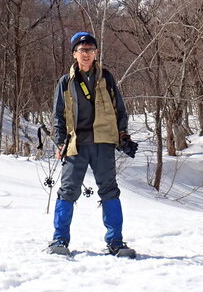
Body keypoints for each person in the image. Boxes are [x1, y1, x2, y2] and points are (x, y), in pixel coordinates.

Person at [48, 31, 138, 257]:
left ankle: (116, 241)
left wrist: (123, 134)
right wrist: (60, 143)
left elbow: (119, 109)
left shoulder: (106, 78)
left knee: (109, 191)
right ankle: (59, 240)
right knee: (67, 191)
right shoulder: (65, 82)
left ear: (96, 53)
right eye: (81, 50)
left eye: (89, 50)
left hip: (103, 142)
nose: (86, 54)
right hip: (75, 144)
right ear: (74, 54)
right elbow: (58, 115)